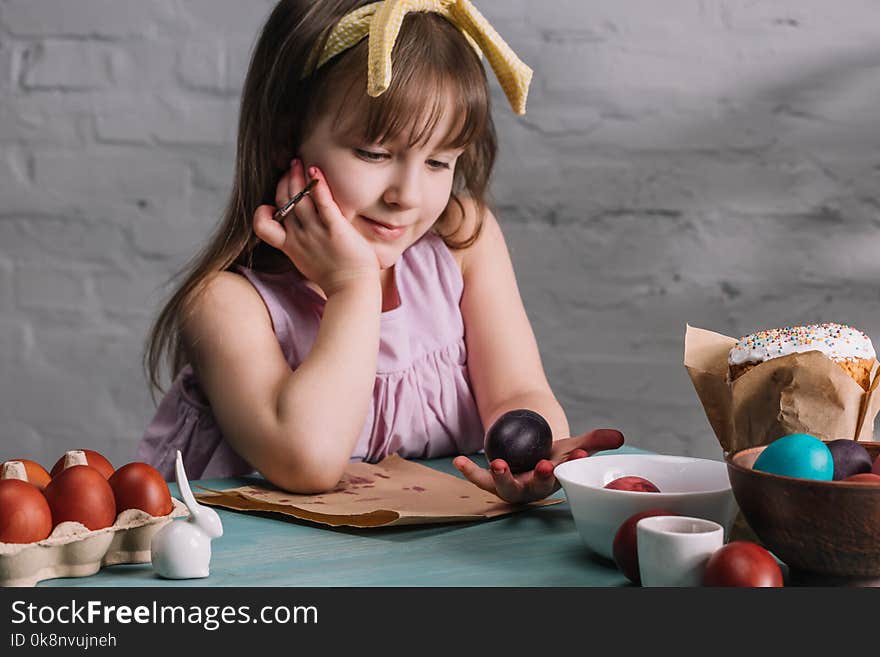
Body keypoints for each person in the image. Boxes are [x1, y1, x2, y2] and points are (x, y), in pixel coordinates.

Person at [138, 0, 624, 504]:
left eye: (438, 162)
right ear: (288, 135)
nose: (406, 196)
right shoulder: (225, 303)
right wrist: (353, 287)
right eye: (374, 153)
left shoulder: (463, 241)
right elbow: (309, 460)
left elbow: (517, 392)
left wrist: (530, 458)